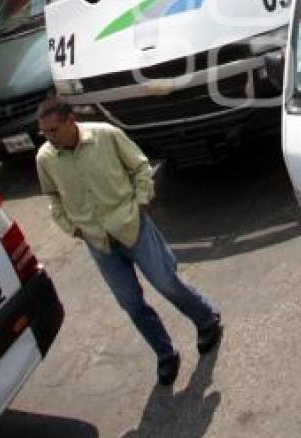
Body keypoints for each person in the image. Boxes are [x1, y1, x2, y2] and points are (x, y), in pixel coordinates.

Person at [35, 98, 222, 386]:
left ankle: (206, 320)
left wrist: (142, 202)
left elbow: (139, 166)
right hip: (98, 242)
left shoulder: (105, 135)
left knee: (166, 282)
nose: (50, 138)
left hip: (131, 226)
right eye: (45, 132)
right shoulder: (45, 159)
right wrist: (71, 228)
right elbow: (52, 197)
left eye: (54, 130)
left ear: (71, 120)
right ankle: (165, 354)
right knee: (131, 303)